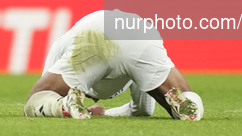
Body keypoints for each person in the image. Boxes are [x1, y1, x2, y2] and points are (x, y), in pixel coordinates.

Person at [24, 10, 203, 120]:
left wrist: (101, 112)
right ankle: (189, 107)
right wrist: (108, 113)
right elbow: (143, 109)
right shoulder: (133, 69)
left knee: (36, 101)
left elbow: (35, 100)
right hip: (139, 33)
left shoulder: (58, 48)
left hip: (94, 35)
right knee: (186, 97)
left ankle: (64, 106)